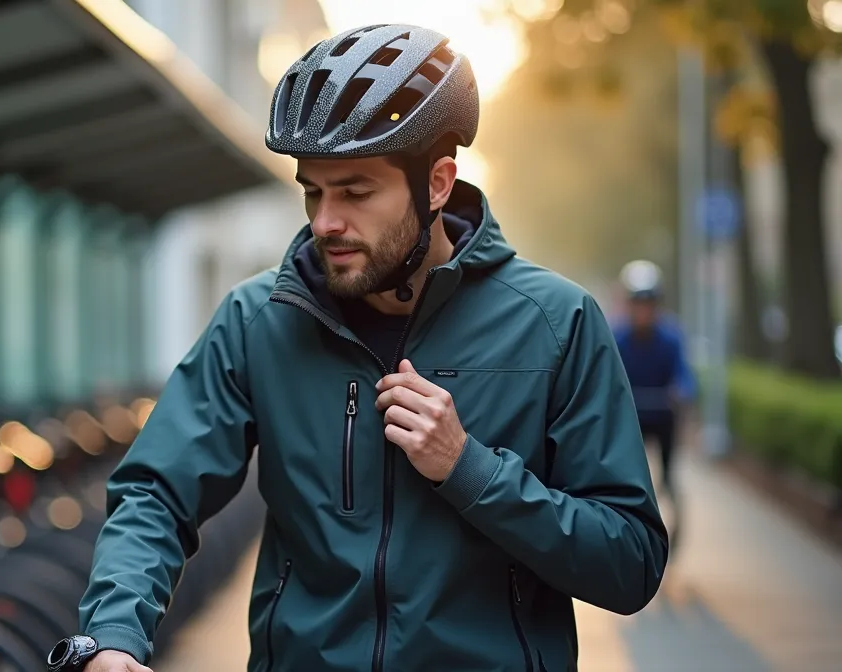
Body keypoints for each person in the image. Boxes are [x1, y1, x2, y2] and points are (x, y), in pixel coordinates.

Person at [46, 24, 668, 672]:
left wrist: (470, 468)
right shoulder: (258, 321)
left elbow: (629, 563)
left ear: (437, 183)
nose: (325, 222)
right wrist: (114, 633)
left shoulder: (556, 323)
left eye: (355, 191)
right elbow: (156, 492)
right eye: (313, 191)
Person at [612, 260, 696, 500]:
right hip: (630, 419)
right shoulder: (616, 338)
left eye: (649, 303)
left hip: (662, 416)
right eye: (638, 303)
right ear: (628, 305)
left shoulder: (672, 337)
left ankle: (668, 486)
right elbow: (604, 375)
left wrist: (682, 391)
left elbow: (685, 375)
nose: (644, 311)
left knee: (668, 475)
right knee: (623, 474)